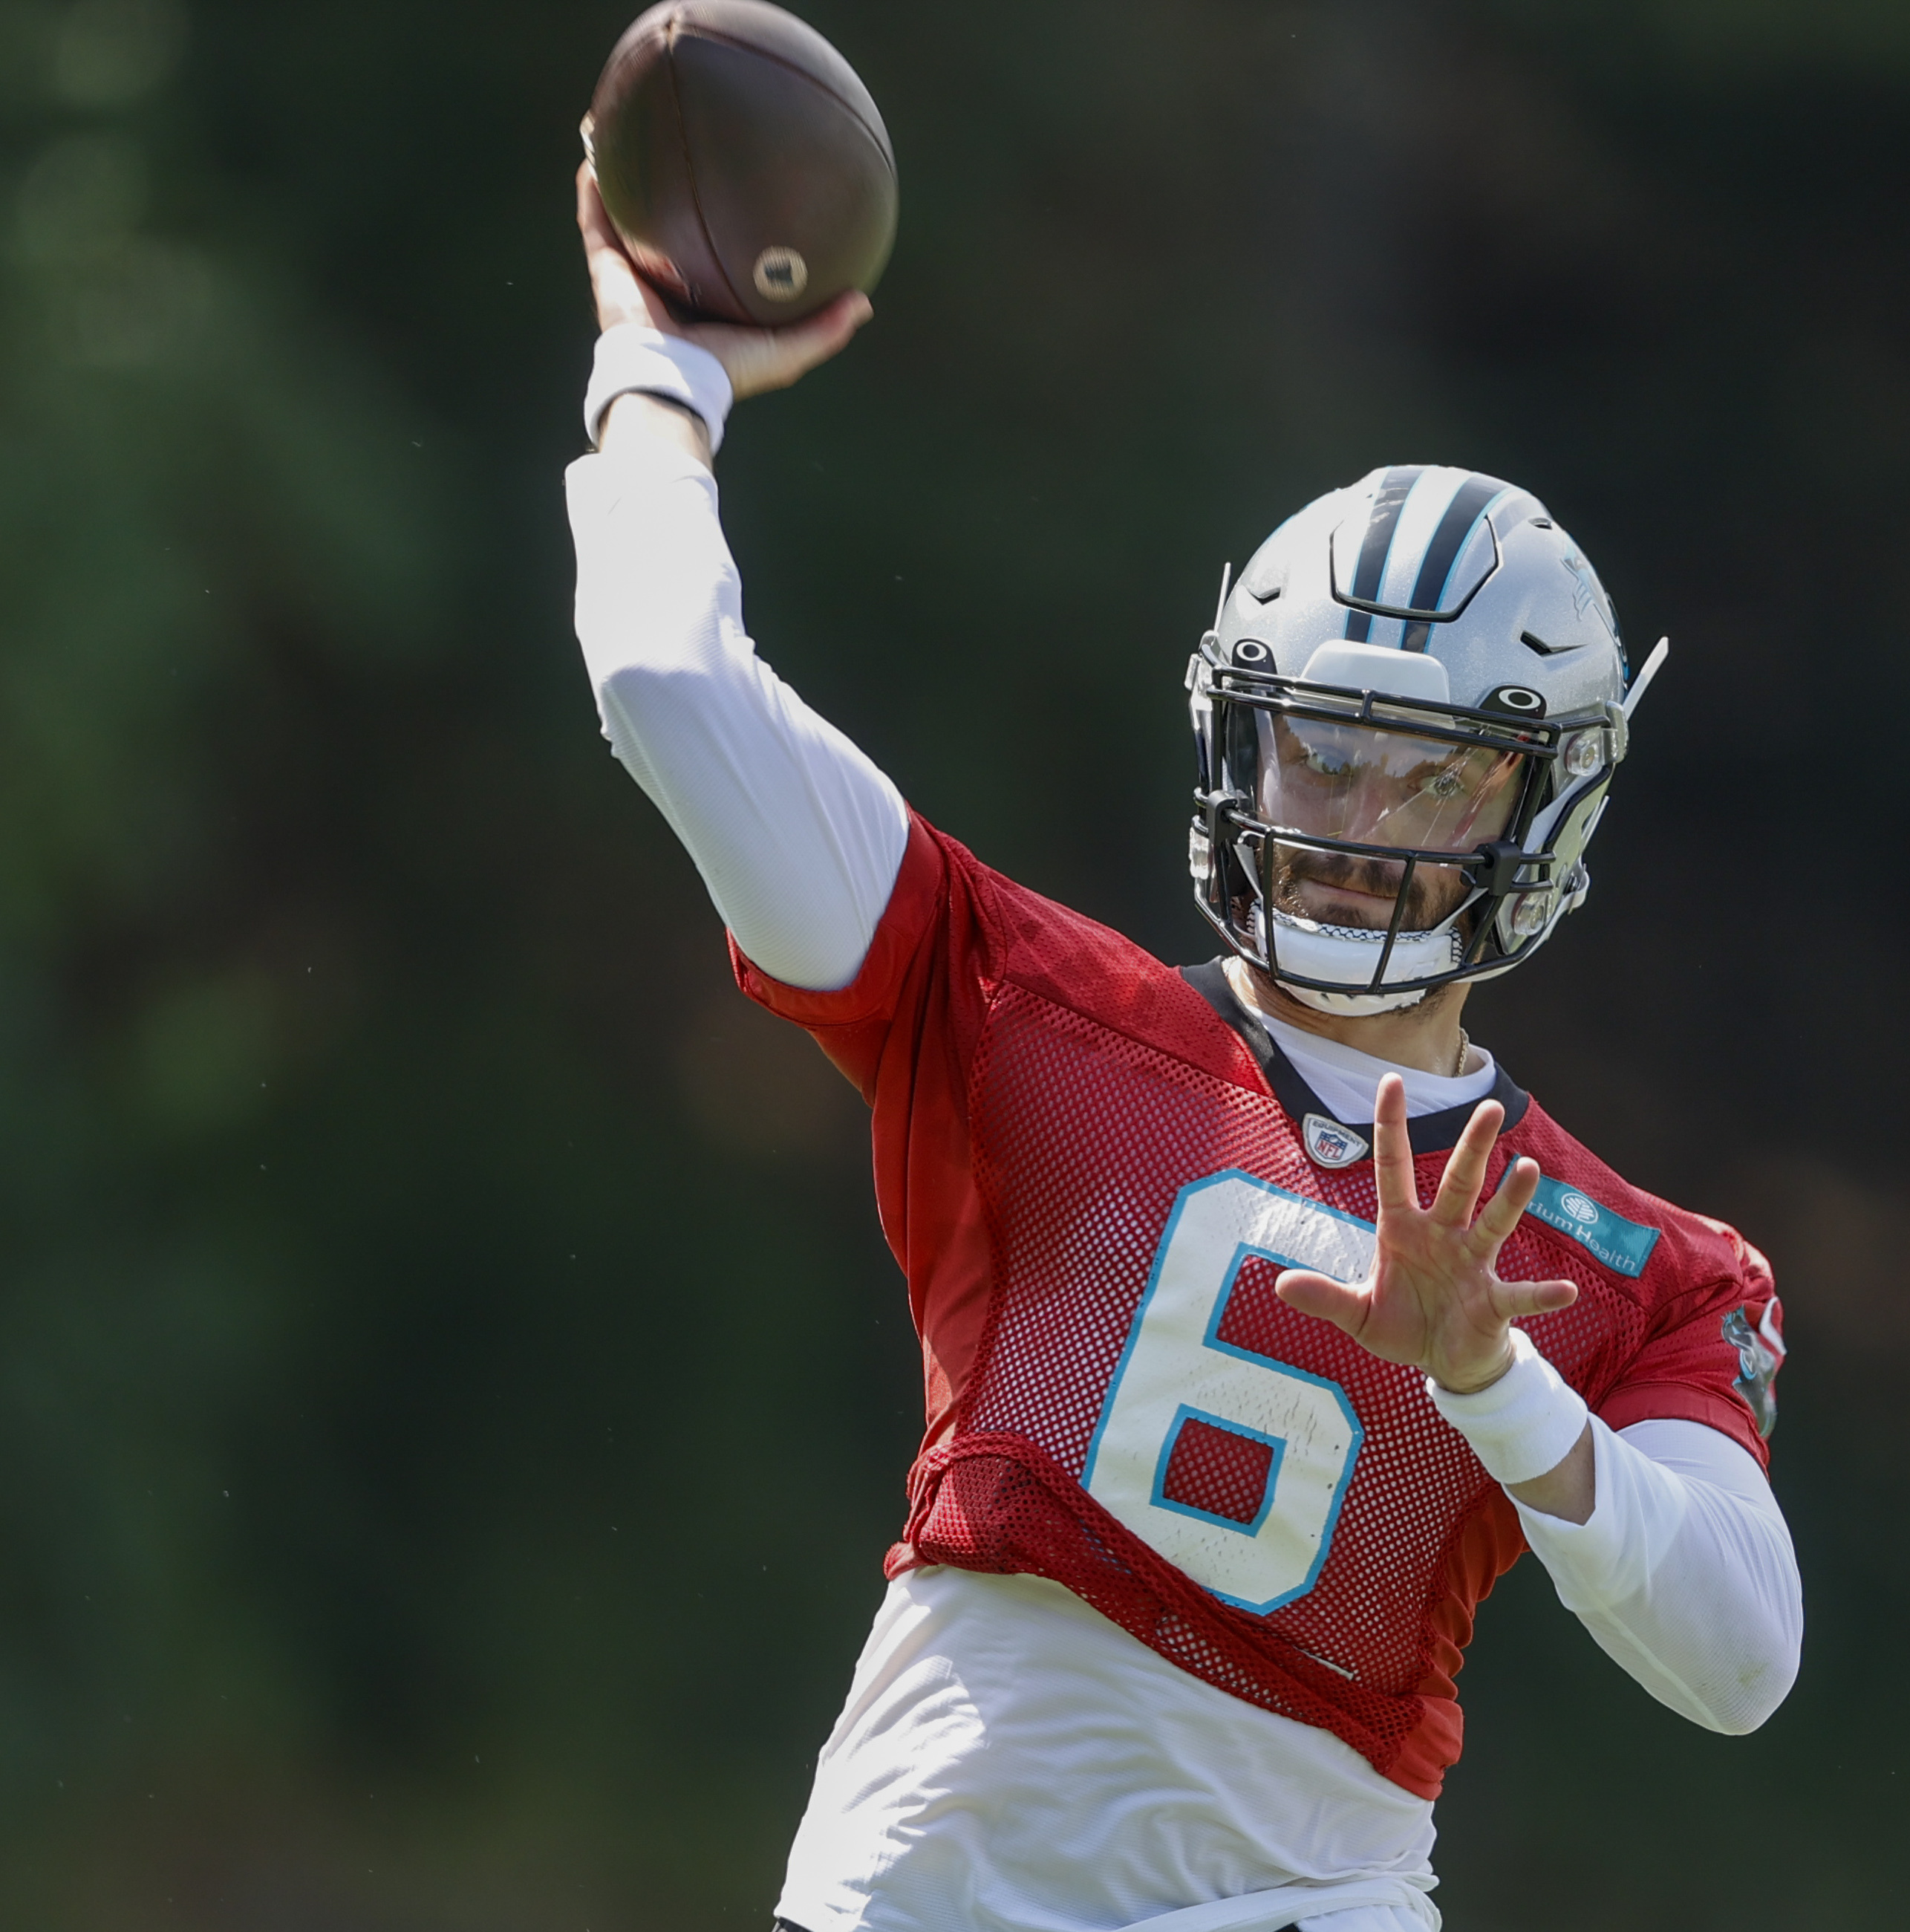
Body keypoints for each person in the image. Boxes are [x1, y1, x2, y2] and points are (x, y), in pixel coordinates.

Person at [562, 167, 1802, 1932]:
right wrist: (660, 380)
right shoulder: (1018, 1002)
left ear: (1542, 806)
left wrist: (1493, 1376)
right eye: (1319, 750)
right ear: (1240, 740)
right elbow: (671, 687)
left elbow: (1741, 1654)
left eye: (1433, 771)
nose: (1360, 816)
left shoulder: (1631, 1265)